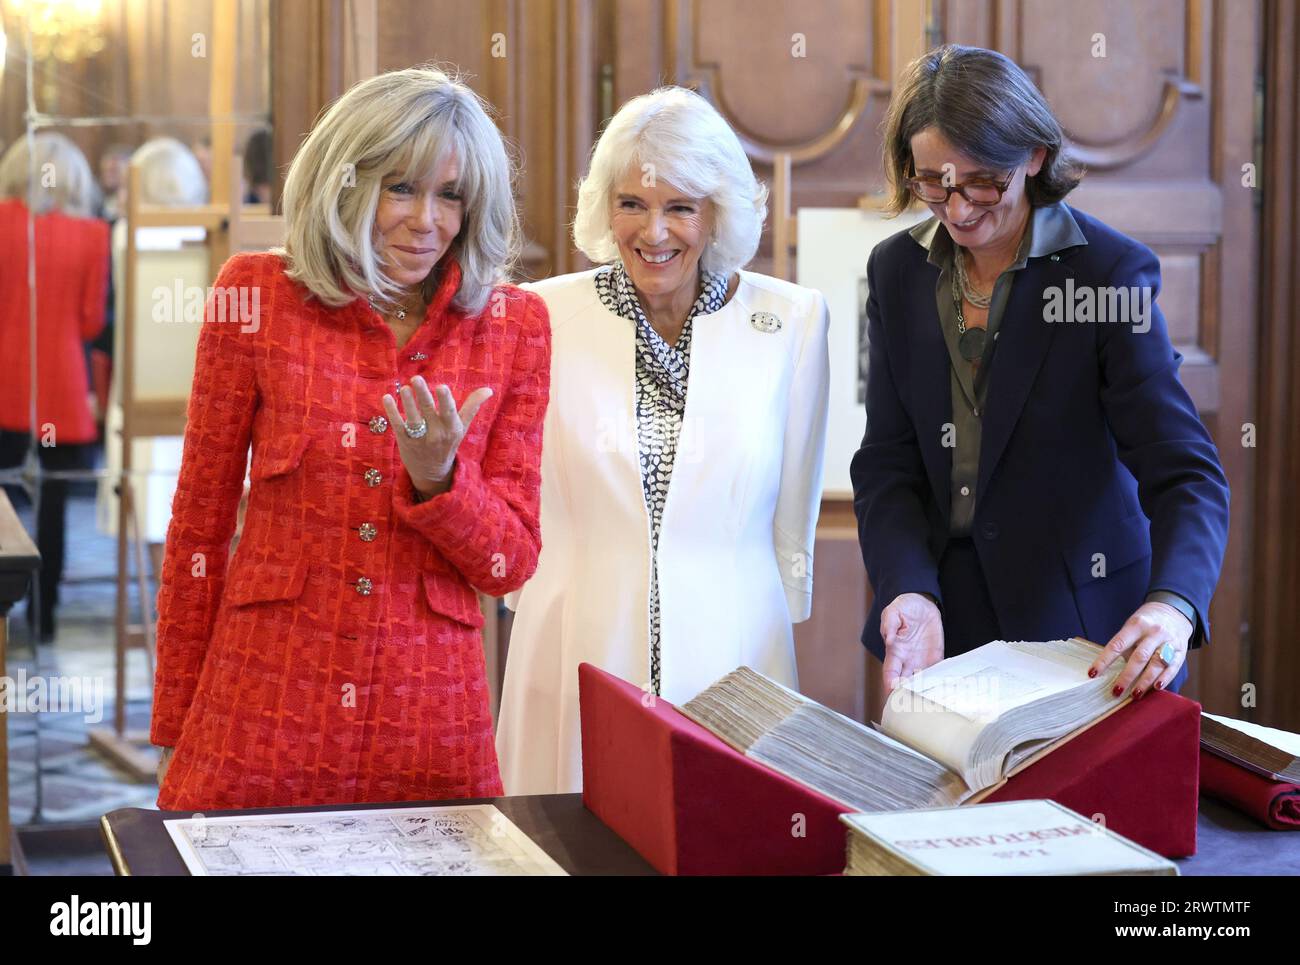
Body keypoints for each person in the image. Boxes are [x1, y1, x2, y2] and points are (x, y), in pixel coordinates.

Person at [151, 67, 550, 810]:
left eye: (451, 195)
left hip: (430, 717)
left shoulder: (514, 326)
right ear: (343, 183)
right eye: (400, 187)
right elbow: (198, 532)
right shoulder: (257, 296)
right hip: (262, 705)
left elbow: (511, 562)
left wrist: (441, 481)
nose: (425, 219)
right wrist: (174, 718)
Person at [851, 45, 1230, 700]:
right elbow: (888, 462)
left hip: (1084, 637)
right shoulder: (896, 271)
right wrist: (907, 586)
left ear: (1034, 156)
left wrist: (1174, 603)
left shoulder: (1108, 274)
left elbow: (1185, 474)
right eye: (934, 181)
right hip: (939, 633)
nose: (959, 208)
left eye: (981, 182)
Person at [498, 86, 830, 794]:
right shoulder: (536, 315)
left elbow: (793, 513)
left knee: (726, 838)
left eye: (681, 206)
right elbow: (514, 492)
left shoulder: (793, 321)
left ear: (718, 214)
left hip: (739, 650)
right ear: (603, 207)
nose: (655, 231)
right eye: (632, 204)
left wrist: (783, 605)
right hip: (571, 641)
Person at [0, 133, 110, 640]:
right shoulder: (92, 235)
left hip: (5, 385)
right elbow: (91, 323)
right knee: (54, 504)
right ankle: (44, 614)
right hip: (62, 391)